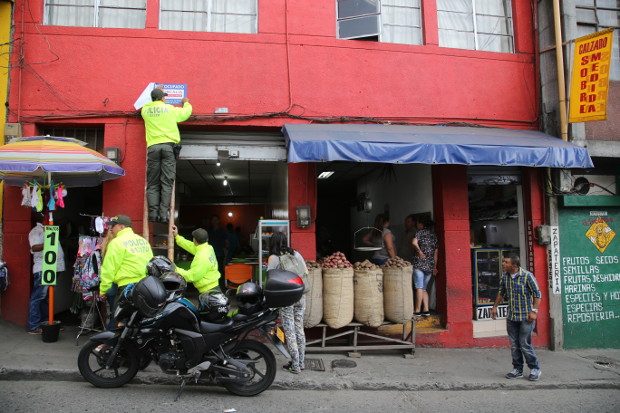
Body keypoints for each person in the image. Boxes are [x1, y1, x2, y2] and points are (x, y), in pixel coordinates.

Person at [141, 87, 192, 223]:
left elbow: (148, 102)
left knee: (152, 183)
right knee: (167, 182)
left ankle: (153, 214)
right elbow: (185, 114)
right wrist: (186, 102)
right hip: (169, 147)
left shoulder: (145, 110)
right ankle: (164, 214)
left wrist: (156, 90)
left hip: (153, 147)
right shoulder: (169, 109)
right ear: (163, 98)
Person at [491, 254, 542, 381]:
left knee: (524, 344)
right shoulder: (505, 277)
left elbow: (537, 294)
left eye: (506, 262)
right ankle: (517, 369)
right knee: (514, 345)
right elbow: (501, 292)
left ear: (514, 265)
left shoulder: (527, 276)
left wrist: (534, 311)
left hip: (526, 317)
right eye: (503, 262)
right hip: (512, 316)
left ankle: (534, 368)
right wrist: (494, 307)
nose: (503, 264)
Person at [267, 232, 307, 374]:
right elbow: (306, 271)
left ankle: (295, 365)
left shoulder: (274, 258)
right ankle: (301, 362)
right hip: (301, 296)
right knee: (299, 329)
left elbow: (270, 279)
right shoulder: (296, 254)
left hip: (286, 299)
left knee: (289, 331)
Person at [99, 215, 153, 305]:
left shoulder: (116, 243)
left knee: (120, 317)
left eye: (113, 226)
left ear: (121, 227)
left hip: (126, 287)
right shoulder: (143, 241)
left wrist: (103, 290)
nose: (111, 229)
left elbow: (109, 269)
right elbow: (151, 263)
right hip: (144, 286)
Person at [27, 213, 66, 334]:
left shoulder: (50, 230)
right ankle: (34, 326)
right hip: (43, 268)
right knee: (39, 297)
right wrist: (49, 244)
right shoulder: (36, 231)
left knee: (46, 297)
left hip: (54, 268)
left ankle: (46, 322)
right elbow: (34, 247)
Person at [171, 225, 222, 302]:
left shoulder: (201, 257)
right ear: (207, 239)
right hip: (214, 287)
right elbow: (190, 246)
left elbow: (192, 276)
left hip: (208, 292)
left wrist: (174, 269)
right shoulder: (208, 247)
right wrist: (177, 236)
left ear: (194, 240)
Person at [411, 216, 438, 317]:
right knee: (424, 288)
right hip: (429, 266)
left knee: (419, 287)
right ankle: (426, 310)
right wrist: (435, 267)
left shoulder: (419, 232)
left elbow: (413, 242)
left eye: (418, 223)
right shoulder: (434, 235)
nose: (417, 225)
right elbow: (436, 253)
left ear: (421, 224)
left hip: (419, 264)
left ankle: (417, 310)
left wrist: (419, 251)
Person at [207, 215, 228, 289]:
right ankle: (211, 285)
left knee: (220, 269)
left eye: (216, 220)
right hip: (210, 254)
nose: (215, 221)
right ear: (211, 221)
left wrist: (226, 248)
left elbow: (226, 241)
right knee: (210, 269)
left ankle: (221, 286)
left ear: (219, 221)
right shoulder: (209, 230)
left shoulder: (222, 230)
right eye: (213, 220)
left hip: (219, 253)